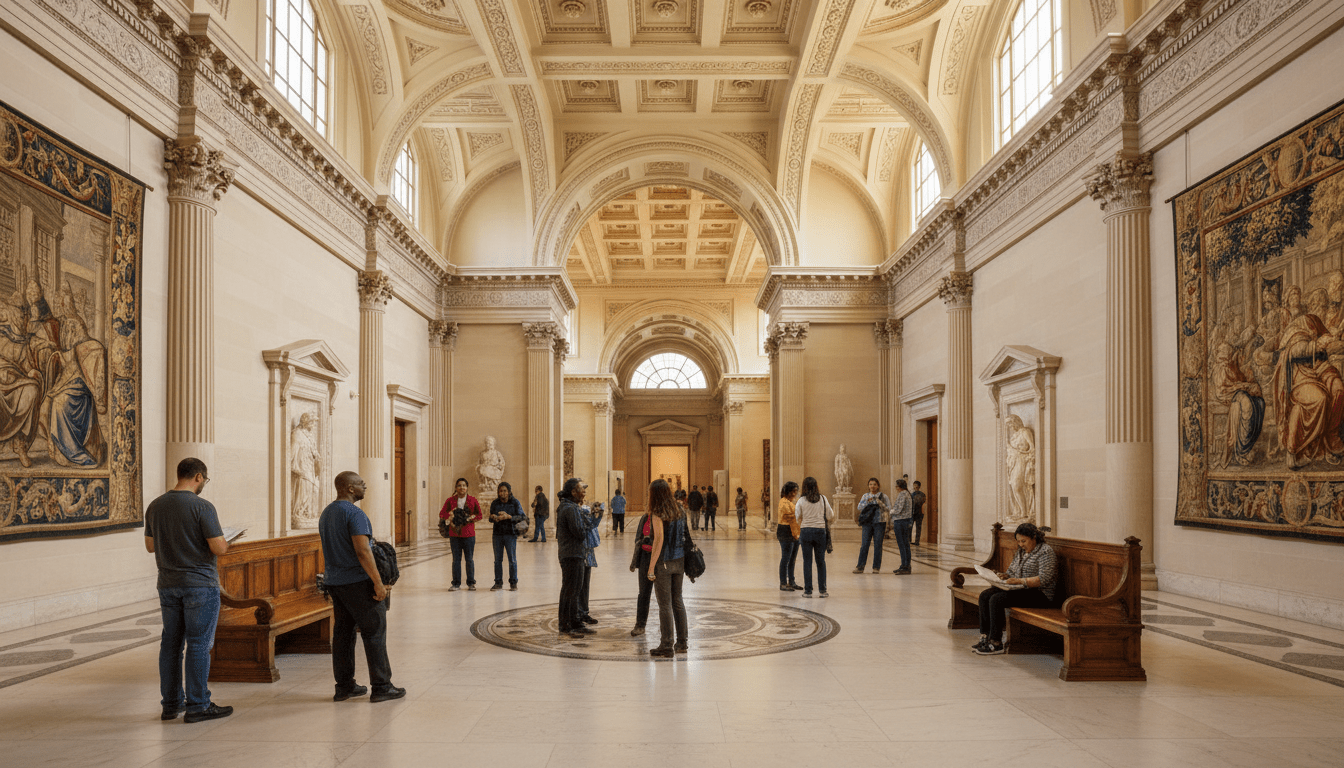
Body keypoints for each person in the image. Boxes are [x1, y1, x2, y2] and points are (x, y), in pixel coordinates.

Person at [144, 457, 232, 723]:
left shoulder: (155, 505)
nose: (204, 483)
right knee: (198, 645)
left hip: (168, 584)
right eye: (204, 479)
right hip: (199, 585)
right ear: (198, 477)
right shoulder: (202, 506)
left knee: (171, 645)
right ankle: (198, 705)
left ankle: (171, 704)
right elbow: (218, 547)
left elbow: (150, 546)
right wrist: (227, 543)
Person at [318, 471, 404, 702]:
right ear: (349, 488)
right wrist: (378, 583)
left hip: (335, 582)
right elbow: (363, 551)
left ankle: (344, 686)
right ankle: (382, 687)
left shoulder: (327, 513)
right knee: (374, 633)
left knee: (343, 635)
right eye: (360, 483)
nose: (364, 486)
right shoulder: (354, 513)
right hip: (358, 582)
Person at [974, 522, 1058, 655]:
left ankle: (996, 642)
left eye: (1023, 541)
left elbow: (1044, 579)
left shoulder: (1045, 552)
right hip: (1020, 589)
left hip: (1040, 594)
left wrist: (1020, 581)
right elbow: (1012, 571)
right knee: (985, 595)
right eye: (1018, 541)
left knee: (997, 599)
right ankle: (985, 637)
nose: (1021, 544)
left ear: (1034, 537)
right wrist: (1004, 575)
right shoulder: (1021, 551)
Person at [646, 478, 690, 657]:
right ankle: (682, 643)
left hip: (663, 562)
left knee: (665, 605)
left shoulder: (657, 512)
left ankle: (666, 645)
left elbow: (658, 540)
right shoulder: (680, 509)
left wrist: (650, 568)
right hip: (679, 561)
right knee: (678, 601)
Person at [555, 478, 592, 639]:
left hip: (571, 553)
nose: (583, 492)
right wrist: (585, 524)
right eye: (580, 489)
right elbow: (580, 532)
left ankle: (575, 621)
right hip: (572, 554)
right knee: (570, 590)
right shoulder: (571, 509)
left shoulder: (569, 506)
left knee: (574, 590)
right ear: (573, 492)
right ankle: (566, 625)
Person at [794, 477, 835, 598]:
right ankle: (822, 590)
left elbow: (797, 517)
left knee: (807, 561)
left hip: (806, 531)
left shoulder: (801, 500)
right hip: (820, 531)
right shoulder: (823, 499)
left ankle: (808, 591)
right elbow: (830, 515)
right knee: (820, 561)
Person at [440, 478, 482, 591]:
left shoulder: (472, 500)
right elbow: (442, 513)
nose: (462, 487)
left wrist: (472, 518)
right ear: (456, 487)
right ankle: (456, 583)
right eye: (459, 485)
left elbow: (479, 514)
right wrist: (449, 515)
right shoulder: (450, 500)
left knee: (469, 559)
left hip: (469, 534)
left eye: (464, 485)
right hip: (455, 534)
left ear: (467, 487)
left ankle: (471, 583)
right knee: (456, 560)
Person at [488, 481, 525, 590]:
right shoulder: (495, 503)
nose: (502, 493)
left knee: (512, 559)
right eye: (500, 491)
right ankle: (498, 582)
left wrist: (509, 517)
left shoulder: (515, 502)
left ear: (509, 492)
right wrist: (493, 517)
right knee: (497, 560)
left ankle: (513, 582)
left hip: (510, 534)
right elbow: (490, 517)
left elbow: (522, 517)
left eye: (505, 491)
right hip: (497, 534)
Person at [854, 478, 891, 574]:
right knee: (864, 545)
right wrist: (867, 502)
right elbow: (859, 507)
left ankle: (876, 567)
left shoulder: (884, 496)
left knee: (878, 545)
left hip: (880, 522)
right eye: (870, 484)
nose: (872, 486)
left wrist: (879, 502)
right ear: (868, 486)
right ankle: (860, 566)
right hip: (867, 523)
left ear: (878, 486)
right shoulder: (865, 496)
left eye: (874, 484)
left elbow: (888, 509)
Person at [629, 506, 656, 636]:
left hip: (662, 560)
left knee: (666, 598)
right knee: (644, 593)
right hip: (646, 557)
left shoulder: (669, 517)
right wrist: (646, 542)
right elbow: (637, 539)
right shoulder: (646, 517)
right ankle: (640, 624)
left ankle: (668, 629)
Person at [776, 481, 801, 591]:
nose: (795, 493)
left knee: (792, 558)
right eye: (794, 491)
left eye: (796, 491)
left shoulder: (791, 502)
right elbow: (791, 516)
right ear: (788, 492)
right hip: (785, 531)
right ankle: (783, 583)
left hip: (794, 531)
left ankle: (791, 581)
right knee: (786, 558)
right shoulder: (783, 502)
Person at [889, 478, 914, 575]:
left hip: (900, 521)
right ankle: (905, 565)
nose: (896, 488)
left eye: (896, 486)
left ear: (899, 486)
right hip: (905, 521)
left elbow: (898, 509)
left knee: (902, 544)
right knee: (905, 544)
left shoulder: (903, 494)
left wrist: (890, 511)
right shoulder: (907, 493)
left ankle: (905, 566)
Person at [911, 481, 927, 546]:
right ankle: (910, 540)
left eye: (916, 485)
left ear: (918, 486)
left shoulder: (922, 495)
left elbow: (922, 503)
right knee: (910, 527)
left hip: (919, 513)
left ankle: (917, 541)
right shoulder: (912, 494)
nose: (915, 487)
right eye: (914, 485)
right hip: (913, 513)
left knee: (918, 527)